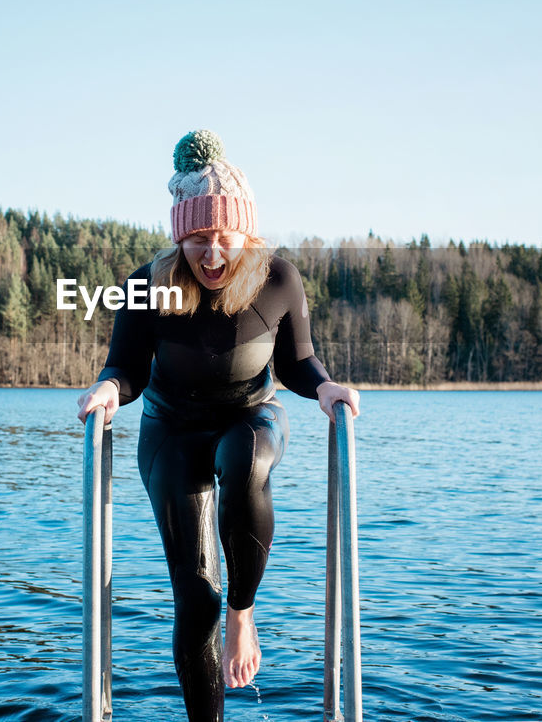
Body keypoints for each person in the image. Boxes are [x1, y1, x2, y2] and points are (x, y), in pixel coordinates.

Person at [75, 129, 360, 721]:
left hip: (250, 417)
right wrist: (108, 388)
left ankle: (244, 614)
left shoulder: (279, 279)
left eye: (223, 238)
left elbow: (297, 363)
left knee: (245, 457)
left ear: (246, 235)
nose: (211, 255)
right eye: (197, 238)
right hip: (171, 432)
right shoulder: (144, 286)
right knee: (195, 601)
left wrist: (326, 387)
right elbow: (125, 369)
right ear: (180, 235)